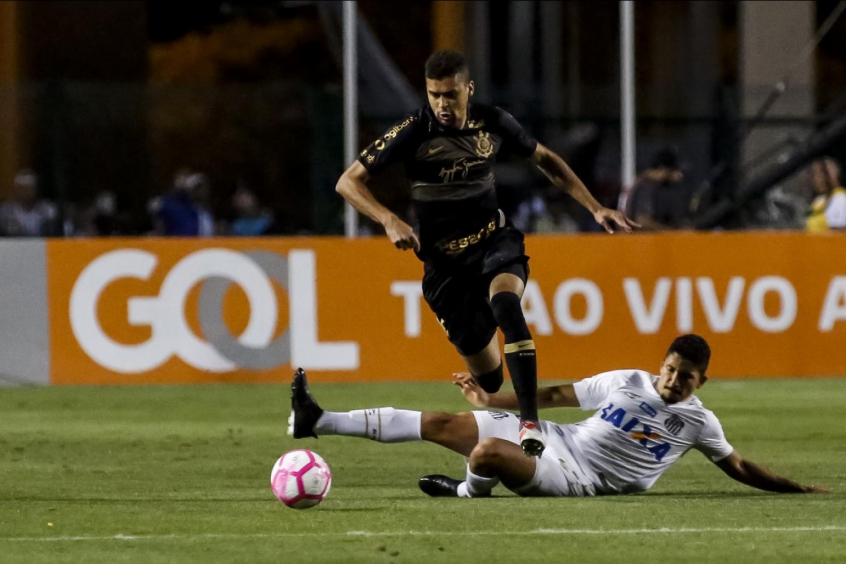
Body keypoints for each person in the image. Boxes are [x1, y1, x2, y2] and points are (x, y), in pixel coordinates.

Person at [335, 50, 638, 457]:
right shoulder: (413, 129)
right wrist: (387, 219)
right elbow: (348, 182)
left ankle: (530, 424)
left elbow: (546, 160)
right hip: (445, 267)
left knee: (507, 306)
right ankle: (501, 393)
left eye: (450, 94)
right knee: (491, 380)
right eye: (434, 95)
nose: (442, 104)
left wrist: (595, 206)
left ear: (468, 89)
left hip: (494, 242)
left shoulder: (493, 121)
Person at [288, 334, 828, 498]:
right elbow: (551, 396)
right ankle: (317, 419)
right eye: (669, 368)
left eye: (685, 376)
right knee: (440, 424)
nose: (672, 379)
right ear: (660, 364)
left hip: (578, 477)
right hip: (555, 436)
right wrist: (490, 401)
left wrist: (799, 490)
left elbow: (738, 467)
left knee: (486, 455)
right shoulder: (627, 381)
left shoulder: (700, 424)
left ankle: (465, 493)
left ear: (700, 382)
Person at [624, 147, 689, 231]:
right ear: (663, 169)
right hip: (637, 240)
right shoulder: (647, 185)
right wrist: (674, 233)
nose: (678, 175)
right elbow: (642, 222)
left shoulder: (641, 181)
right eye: (673, 170)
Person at [0, 169, 59, 237]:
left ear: (36, 189)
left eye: (30, 188)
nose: (26, 192)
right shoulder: (5, 212)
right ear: (16, 190)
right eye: (22, 189)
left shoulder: (48, 210)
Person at [806, 157, 846, 233]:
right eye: (815, 174)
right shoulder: (820, 201)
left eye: (821, 174)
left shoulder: (840, 200)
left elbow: (839, 236)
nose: (817, 178)